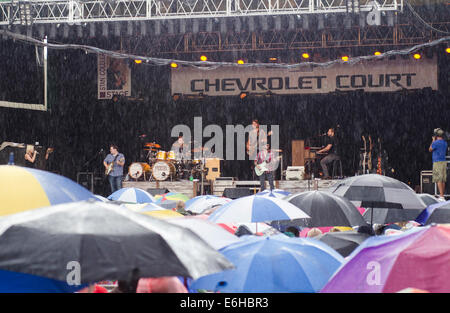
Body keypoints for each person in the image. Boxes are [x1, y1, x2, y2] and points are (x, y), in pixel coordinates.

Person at [429, 128, 448, 201]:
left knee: (439, 179)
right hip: (443, 162)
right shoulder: (444, 142)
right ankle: (442, 195)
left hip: (437, 162)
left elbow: (430, 149)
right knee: (443, 179)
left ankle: (441, 196)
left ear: (436, 135)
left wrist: (433, 140)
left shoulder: (436, 143)